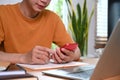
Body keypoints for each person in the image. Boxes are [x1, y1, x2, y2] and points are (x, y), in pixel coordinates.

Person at [0, 0, 81, 64]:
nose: (44, 1)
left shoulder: (52, 18)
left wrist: (70, 56)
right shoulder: (3, 13)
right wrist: (23, 58)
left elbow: (77, 51)